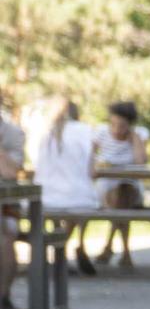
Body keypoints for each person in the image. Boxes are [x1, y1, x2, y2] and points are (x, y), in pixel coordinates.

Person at [32, 96, 100, 277]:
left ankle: (59, 249)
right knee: (81, 205)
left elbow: (34, 164)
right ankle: (64, 247)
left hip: (45, 197)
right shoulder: (86, 132)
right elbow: (92, 172)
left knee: (63, 206)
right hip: (78, 197)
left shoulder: (42, 132)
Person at [88, 99, 148, 272]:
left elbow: (140, 162)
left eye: (121, 125)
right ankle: (125, 252)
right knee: (119, 201)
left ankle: (108, 248)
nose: (115, 129)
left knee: (123, 194)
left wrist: (133, 138)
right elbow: (89, 156)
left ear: (129, 125)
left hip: (129, 183)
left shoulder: (140, 134)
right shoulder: (100, 132)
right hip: (105, 183)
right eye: (112, 124)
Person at [0, 94, 25, 309]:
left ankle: (3, 296)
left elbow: (10, 172)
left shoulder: (13, 134)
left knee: (4, 235)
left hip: (5, 204)